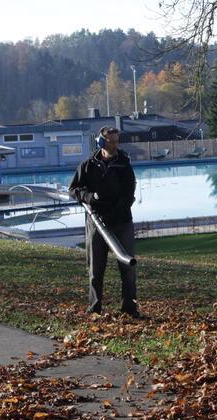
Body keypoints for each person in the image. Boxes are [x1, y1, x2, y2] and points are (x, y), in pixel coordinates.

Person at [69, 126, 140, 318]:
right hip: (96, 224)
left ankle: (129, 309)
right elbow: (74, 189)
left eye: (117, 141)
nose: (115, 145)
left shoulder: (125, 166)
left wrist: (114, 213)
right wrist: (91, 197)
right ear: (101, 142)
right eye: (111, 141)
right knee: (95, 269)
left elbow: (128, 196)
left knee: (128, 269)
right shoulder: (87, 165)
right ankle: (95, 308)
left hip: (121, 222)